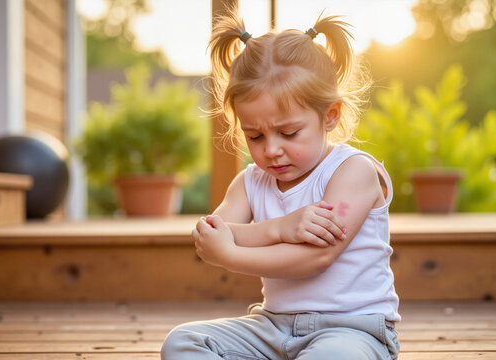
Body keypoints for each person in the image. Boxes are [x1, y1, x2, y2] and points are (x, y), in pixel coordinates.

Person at [161, 8, 400, 360]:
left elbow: (318, 256)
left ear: (329, 116)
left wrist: (231, 252)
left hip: (352, 331)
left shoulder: (353, 172)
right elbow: (213, 231)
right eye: (254, 135)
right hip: (272, 327)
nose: (271, 150)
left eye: (288, 132)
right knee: (182, 342)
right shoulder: (250, 183)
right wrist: (281, 228)